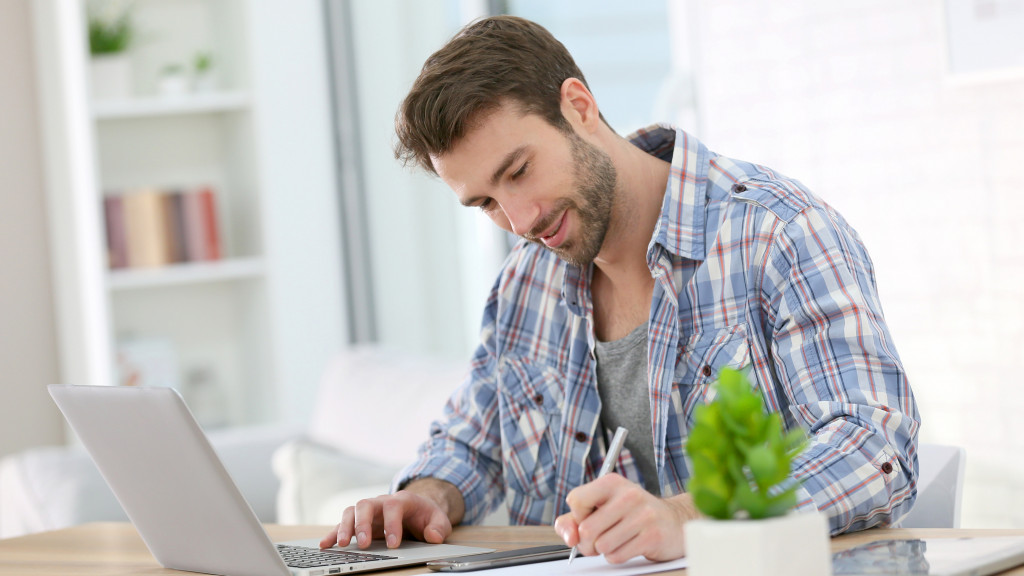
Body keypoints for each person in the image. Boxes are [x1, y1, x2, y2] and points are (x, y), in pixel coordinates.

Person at [320, 15, 920, 563]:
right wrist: (428, 495)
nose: (520, 221)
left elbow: (875, 449)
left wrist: (689, 516)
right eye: (485, 203)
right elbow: (471, 443)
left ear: (579, 106)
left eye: (519, 171)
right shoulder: (523, 287)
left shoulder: (777, 234)